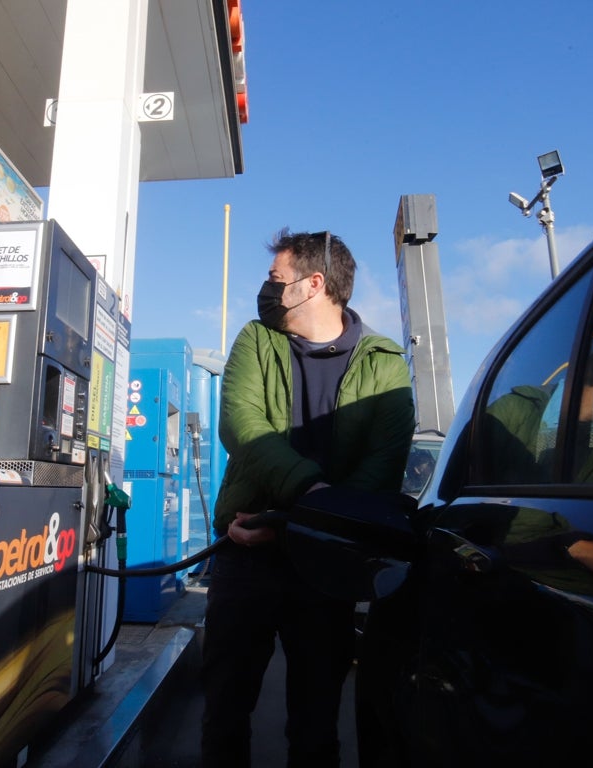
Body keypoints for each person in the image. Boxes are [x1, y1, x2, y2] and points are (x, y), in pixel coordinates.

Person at [200, 229, 414, 767]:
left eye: (276, 279)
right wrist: (311, 493)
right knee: (224, 713)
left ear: (313, 284)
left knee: (316, 724)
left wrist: (306, 518)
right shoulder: (256, 339)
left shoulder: (385, 363)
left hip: (325, 566)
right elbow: (241, 425)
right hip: (246, 553)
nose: (267, 290)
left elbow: (383, 466)